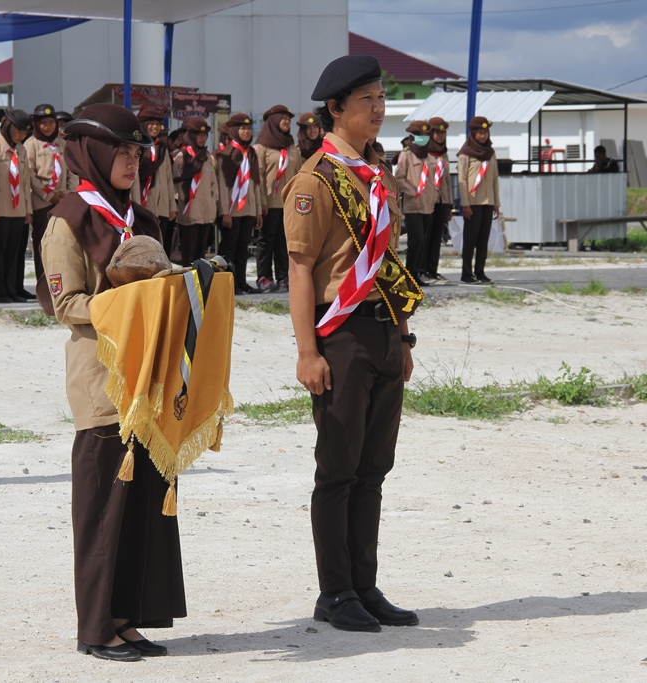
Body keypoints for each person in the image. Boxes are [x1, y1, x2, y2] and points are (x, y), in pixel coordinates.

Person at [284, 54, 423, 634]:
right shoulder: (316, 180)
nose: (378, 107)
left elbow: (386, 260)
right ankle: (335, 590)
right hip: (338, 333)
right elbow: (299, 268)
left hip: (384, 330)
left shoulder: (374, 173)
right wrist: (307, 351)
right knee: (337, 468)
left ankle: (365, 584)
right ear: (335, 110)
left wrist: (403, 337)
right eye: (366, 99)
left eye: (381, 97)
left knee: (374, 468)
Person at [41, 103, 185, 662]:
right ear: (95, 154)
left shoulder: (141, 219)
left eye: (136, 153)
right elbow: (66, 302)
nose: (132, 161)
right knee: (103, 509)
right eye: (122, 152)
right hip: (104, 382)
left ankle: (127, 617)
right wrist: (130, 300)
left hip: (150, 380)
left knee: (144, 508)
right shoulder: (70, 218)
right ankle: (95, 626)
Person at [0, 109, 33, 303]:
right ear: (8, 126)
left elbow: (25, 182)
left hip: (18, 209)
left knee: (15, 251)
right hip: (0, 210)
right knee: (0, 251)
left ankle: (13, 288)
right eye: (19, 131)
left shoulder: (21, 150)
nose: (22, 135)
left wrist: (28, 209)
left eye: (25, 133)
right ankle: (0, 290)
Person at [24, 103, 68, 301]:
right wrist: (49, 195)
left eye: (51, 122)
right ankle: (43, 285)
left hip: (63, 200)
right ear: (36, 123)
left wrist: (69, 193)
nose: (48, 127)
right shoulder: (30, 145)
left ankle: (61, 284)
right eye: (44, 123)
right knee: (42, 244)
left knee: (62, 242)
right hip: (41, 202)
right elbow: (30, 175)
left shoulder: (62, 144)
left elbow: (71, 171)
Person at [254, 104, 299, 292]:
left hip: (288, 203)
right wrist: (262, 202)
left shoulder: (292, 147)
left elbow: (298, 174)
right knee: (267, 241)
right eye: (283, 118)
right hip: (269, 203)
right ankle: (264, 276)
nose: (287, 122)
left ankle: (283, 276)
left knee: (284, 241)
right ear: (273, 121)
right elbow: (259, 177)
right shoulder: (262, 148)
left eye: (289, 120)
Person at [216, 112, 262, 294]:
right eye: (242, 128)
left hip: (249, 208)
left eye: (249, 129)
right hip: (232, 210)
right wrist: (225, 212)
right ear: (234, 130)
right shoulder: (227, 154)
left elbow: (255, 182)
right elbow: (222, 185)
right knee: (229, 247)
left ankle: (241, 282)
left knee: (243, 248)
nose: (246, 132)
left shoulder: (251, 153)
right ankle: (228, 283)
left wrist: (258, 210)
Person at [457, 116, 500, 285]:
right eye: (480, 133)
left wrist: (496, 203)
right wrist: (465, 204)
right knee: (470, 239)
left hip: (488, 201)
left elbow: (495, 179)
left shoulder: (490, 152)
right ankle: (466, 274)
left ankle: (480, 272)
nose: (483, 136)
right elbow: (462, 180)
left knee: (483, 239)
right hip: (473, 202)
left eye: (485, 132)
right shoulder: (465, 153)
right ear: (473, 134)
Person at [394, 120, 437, 286]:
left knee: (424, 241)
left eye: (426, 135)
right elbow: (399, 178)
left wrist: (435, 195)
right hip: (413, 206)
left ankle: (417, 274)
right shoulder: (406, 155)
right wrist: (412, 191)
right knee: (416, 240)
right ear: (412, 136)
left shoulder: (430, 156)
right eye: (420, 135)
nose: (423, 138)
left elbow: (433, 180)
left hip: (428, 205)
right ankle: (409, 274)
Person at [172, 117, 218, 264]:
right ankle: (189, 285)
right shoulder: (182, 157)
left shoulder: (207, 157)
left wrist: (213, 202)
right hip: (189, 212)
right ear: (190, 135)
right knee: (189, 254)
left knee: (201, 253)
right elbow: (176, 184)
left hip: (205, 212)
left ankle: (201, 284)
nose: (202, 138)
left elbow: (213, 182)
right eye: (198, 134)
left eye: (204, 135)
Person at [132, 108, 176, 255]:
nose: (155, 127)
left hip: (162, 205)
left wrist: (171, 205)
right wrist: (135, 203)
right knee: (144, 245)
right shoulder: (136, 147)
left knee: (159, 243)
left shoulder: (162, 149)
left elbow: (169, 178)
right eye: (151, 123)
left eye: (158, 123)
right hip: (144, 203)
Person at [422, 117, 452, 283]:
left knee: (437, 236)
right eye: (437, 132)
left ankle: (433, 270)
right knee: (426, 236)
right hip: (427, 200)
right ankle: (422, 269)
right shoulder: (424, 152)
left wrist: (449, 204)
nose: (440, 136)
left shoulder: (444, 153)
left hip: (442, 199)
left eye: (443, 132)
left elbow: (447, 179)